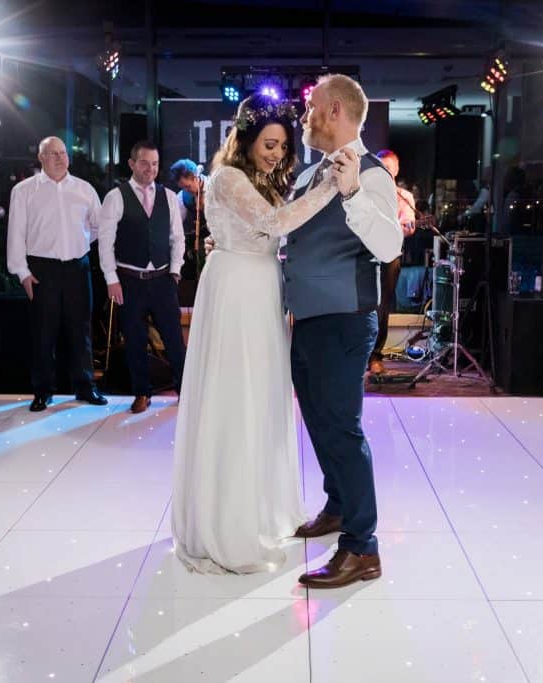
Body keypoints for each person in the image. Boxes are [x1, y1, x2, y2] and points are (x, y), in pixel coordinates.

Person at [171, 94, 344, 574]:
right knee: (236, 399)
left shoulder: (256, 180)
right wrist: (329, 186)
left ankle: (256, 510)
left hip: (260, 287)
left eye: (282, 148)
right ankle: (227, 524)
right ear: (245, 139)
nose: (275, 154)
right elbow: (274, 223)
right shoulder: (227, 177)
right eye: (269, 144)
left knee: (261, 397)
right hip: (237, 292)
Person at [290, 75, 402, 588]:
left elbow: (387, 246)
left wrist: (353, 189)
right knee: (317, 421)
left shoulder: (372, 174)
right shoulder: (309, 175)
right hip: (309, 319)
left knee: (342, 427)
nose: (304, 116)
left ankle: (362, 548)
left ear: (334, 110)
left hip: (346, 320)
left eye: (311, 107)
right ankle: (338, 505)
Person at [7, 136, 107, 412]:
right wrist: (22, 273)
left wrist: (82, 243)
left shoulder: (84, 189)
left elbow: (99, 226)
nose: (60, 158)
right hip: (42, 270)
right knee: (43, 332)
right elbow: (15, 233)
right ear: (41, 158)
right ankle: (42, 391)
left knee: (81, 331)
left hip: (78, 266)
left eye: (63, 153)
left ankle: (86, 387)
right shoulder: (24, 190)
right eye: (52, 154)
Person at [98, 141, 186, 414]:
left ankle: (186, 392)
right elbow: (105, 242)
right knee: (134, 340)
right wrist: (112, 279)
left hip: (162, 279)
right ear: (132, 164)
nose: (151, 169)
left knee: (174, 339)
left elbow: (177, 238)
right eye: (145, 163)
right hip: (129, 280)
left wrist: (174, 271)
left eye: (155, 164)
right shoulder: (116, 196)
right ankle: (141, 393)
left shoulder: (169, 196)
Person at [369, 149, 415, 375]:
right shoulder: (365, 193)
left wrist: (391, 229)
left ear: (395, 170)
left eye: (388, 167)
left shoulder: (404, 197)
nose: (383, 171)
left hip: (390, 255)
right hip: (364, 254)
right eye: (380, 167)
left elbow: (407, 227)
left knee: (382, 305)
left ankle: (376, 355)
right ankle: (357, 354)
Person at [168, 159, 208, 280]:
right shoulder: (182, 197)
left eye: (187, 186)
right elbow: (174, 225)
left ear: (195, 177)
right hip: (199, 247)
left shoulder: (215, 187)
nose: (186, 190)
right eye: (183, 187)